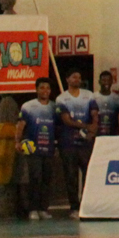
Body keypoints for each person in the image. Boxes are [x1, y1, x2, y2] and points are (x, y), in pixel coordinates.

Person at [54, 70, 98, 219]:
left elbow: (94, 114)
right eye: (74, 77)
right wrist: (86, 127)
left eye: (79, 77)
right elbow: (66, 120)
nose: (77, 79)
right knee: (71, 176)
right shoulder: (61, 99)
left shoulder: (89, 95)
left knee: (88, 174)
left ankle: (87, 204)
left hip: (85, 143)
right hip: (68, 144)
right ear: (67, 79)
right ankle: (74, 207)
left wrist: (93, 130)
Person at [19, 78, 60, 221]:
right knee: (35, 178)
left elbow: (58, 127)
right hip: (33, 150)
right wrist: (17, 141)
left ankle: (43, 209)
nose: (45, 91)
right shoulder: (28, 106)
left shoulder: (54, 107)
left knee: (47, 179)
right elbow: (20, 125)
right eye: (42, 88)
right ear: (36, 89)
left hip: (49, 149)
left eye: (47, 88)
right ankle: (33, 209)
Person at [96, 71, 119, 137]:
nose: (106, 82)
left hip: (112, 134)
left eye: (108, 80)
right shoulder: (93, 98)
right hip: (98, 134)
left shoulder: (117, 98)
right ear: (99, 82)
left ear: (112, 82)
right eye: (104, 80)